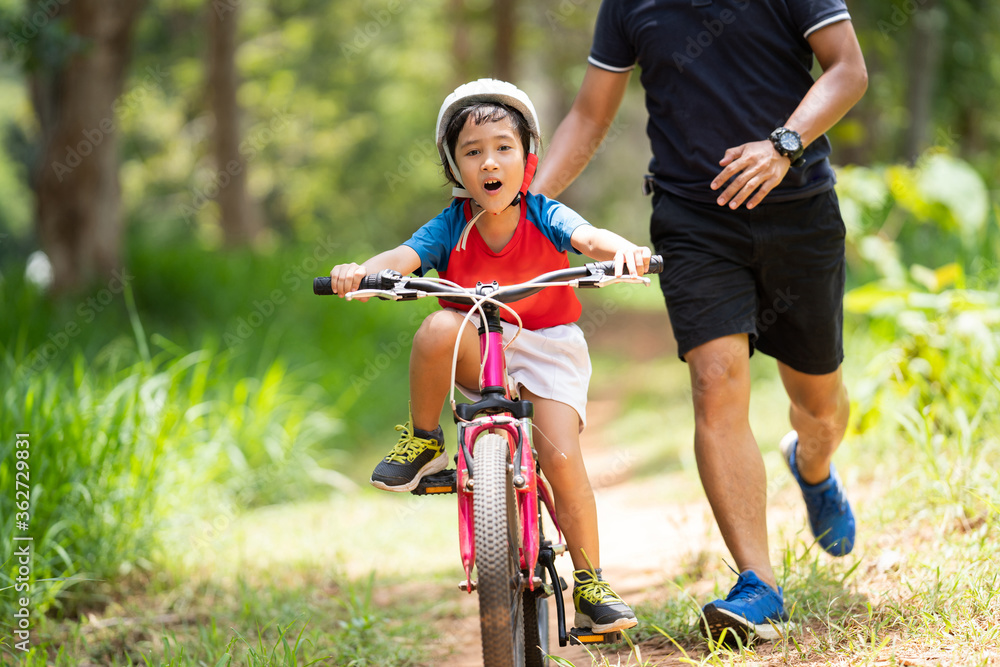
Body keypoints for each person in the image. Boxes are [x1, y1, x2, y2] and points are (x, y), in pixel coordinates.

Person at [530, 0, 868, 646]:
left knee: (819, 404)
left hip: (798, 208)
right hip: (694, 219)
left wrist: (784, 145)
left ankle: (813, 465)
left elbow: (848, 70)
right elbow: (590, 113)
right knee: (716, 381)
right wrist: (530, 207)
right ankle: (759, 584)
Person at [330, 79, 651, 633]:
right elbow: (404, 256)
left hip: (549, 348)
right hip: (480, 344)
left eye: (504, 147)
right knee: (435, 326)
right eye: (472, 152)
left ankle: (591, 580)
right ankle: (426, 436)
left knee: (563, 461)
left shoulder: (544, 212)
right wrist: (362, 271)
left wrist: (623, 250)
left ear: (527, 157)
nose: (489, 161)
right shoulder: (451, 224)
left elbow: (589, 237)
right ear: (455, 169)